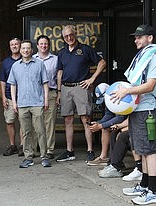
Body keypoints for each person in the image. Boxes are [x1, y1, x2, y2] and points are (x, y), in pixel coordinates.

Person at [112, 25, 156, 205]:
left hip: (146, 111)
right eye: (135, 37)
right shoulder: (143, 57)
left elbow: (149, 85)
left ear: (150, 38)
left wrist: (127, 91)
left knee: (149, 151)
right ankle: (145, 185)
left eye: (140, 37)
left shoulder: (155, 58)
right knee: (142, 150)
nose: (136, 40)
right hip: (137, 109)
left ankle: (153, 192)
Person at [56, 25, 107, 162]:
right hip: (66, 87)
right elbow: (60, 72)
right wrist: (59, 91)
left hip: (81, 87)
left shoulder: (85, 49)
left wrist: (92, 79)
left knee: (85, 119)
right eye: (66, 36)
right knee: (68, 119)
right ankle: (69, 151)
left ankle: (90, 150)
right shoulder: (62, 53)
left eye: (71, 35)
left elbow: (102, 63)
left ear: (75, 34)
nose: (69, 38)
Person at [7, 40, 51, 168]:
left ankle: (44, 156)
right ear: (20, 50)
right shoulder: (15, 66)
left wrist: (46, 100)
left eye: (28, 48)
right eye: (23, 48)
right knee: (26, 132)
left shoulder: (39, 64)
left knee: (40, 130)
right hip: (22, 103)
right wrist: (14, 102)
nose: (25, 50)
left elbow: (45, 83)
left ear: (32, 50)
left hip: (37, 102)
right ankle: (28, 157)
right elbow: (13, 85)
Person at [32, 35, 58, 159]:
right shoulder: (32, 59)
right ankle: (35, 148)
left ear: (49, 45)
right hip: (35, 94)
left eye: (46, 44)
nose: (43, 46)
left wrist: (59, 92)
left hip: (51, 93)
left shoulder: (55, 59)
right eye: (41, 44)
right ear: (37, 45)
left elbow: (59, 76)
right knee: (36, 122)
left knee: (50, 122)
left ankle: (49, 150)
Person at [87, 83, 126, 166]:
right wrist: (99, 123)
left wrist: (101, 125)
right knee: (104, 128)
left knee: (106, 128)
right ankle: (103, 156)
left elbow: (120, 118)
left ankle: (110, 158)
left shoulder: (117, 98)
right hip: (119, 122)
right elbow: (108, 115)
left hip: (126, 122)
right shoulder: (108, 101)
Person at [0, 38, 24, 156]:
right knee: (10, 121)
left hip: (23, 96)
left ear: (20, 45)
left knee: (23, 122)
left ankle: (22, 145)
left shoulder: (25, 59)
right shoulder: (5, 62)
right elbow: (3, 81)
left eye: (16, 44)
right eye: (12, 44)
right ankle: (12, 145)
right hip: (9, 96)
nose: (14, 46)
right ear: (10, 47)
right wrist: (3, 96)